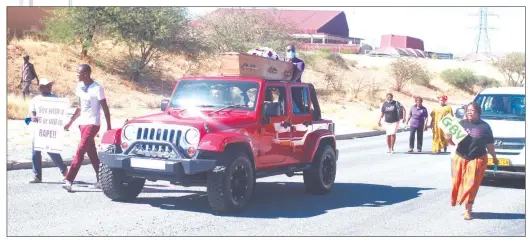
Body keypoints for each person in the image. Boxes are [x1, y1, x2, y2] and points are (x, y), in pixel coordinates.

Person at [445, 102, 499, 220]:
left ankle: (468, 210)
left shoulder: (485, 127)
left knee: (471, 184)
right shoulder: (461, 124)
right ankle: (458, 201)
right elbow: (454, 144)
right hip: (461, 157)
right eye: (467, 110)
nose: (469, 112)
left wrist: (494, 157)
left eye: (472, 110)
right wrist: (448, 140)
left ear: (478, 112)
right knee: (457, 183)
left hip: (477, 158)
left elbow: (490, 145)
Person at [62, 64, 112, 192]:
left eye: (78, 73)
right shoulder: (79, 86)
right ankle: (101, 179)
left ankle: (69, 179)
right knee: (92, 153)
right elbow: (80, 107)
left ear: (86, 74)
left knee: (80, 150)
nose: (77, 75)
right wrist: (70, 122)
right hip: (83, 123)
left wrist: (109, 126)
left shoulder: (97, 88)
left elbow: (105, 107)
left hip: (93, 123)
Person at [28, 78, 68, 183]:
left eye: (49, 85)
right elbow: (32, 112)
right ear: (41, 87)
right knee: (35, 152)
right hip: (38, 128)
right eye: (46, 85)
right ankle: (37, 176)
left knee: (52, 151)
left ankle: (64, 170)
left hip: (50, 128)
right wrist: (33, 117)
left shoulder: (55, 98)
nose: (49, 87)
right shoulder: (35, 99)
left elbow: (59, 113)